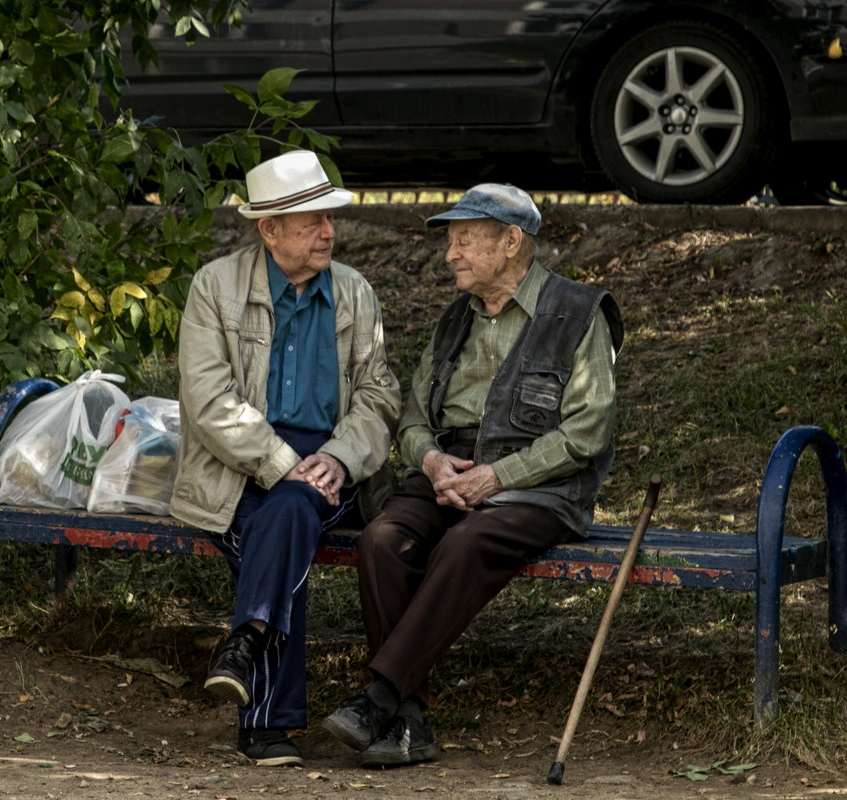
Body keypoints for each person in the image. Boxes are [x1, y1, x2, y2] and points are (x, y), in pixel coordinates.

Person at [322, 184, 624, 767]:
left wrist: (496, 477)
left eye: (464, 240)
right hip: (450, 468)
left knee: (466, 541)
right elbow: (412, 416)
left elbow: (586, 434)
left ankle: (381, 695)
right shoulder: (455, 317)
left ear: (511, 242)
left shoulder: (578, 312)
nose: (450, 254)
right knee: (383, 540)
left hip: (541, 480)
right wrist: (432, 461)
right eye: (451, 242)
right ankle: (410, 720)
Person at [169, 150, 401, 767]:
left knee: (293, 509)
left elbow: (379, 395)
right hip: (237, 464)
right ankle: (264, 712)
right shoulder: (215, 288)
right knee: (286, 519)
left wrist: (342, 457)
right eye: (311, 221)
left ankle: (248, 654)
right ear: (268, 229)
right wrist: (278, 461)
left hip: (331, 464)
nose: (328, 232)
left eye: (329, 219)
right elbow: (209, 400)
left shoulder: (354, 291)